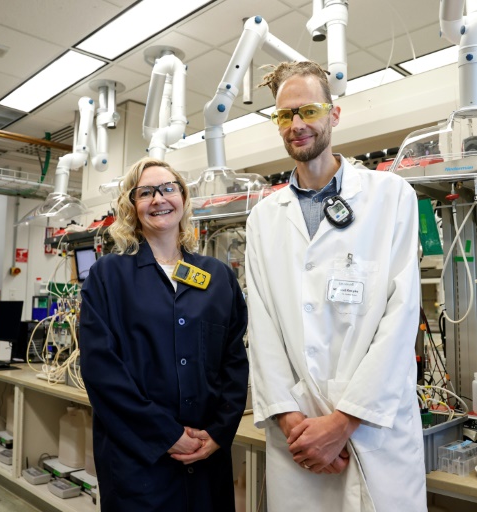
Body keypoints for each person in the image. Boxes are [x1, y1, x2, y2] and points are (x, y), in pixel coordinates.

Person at [246, 61, 426, 511]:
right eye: (285, 115)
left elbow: (401, 317)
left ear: (334, 114)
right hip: (299, 436)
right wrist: (291, 421)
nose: (297, 124)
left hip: (372, 429)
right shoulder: (263, 218)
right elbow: (262, 328)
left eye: (308, 111)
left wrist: (343, 421)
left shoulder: (391, 196)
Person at [79, 157, 249, 511]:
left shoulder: (217, 278)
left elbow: (234, 362)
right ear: (132, 206)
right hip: (139, 464)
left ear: (183, 198)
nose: (159, 199)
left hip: (207, 459)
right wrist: (166, 434)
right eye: (146, 193)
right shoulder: (108, 275)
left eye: (168, 188)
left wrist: (219, 432)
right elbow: (101, 370)